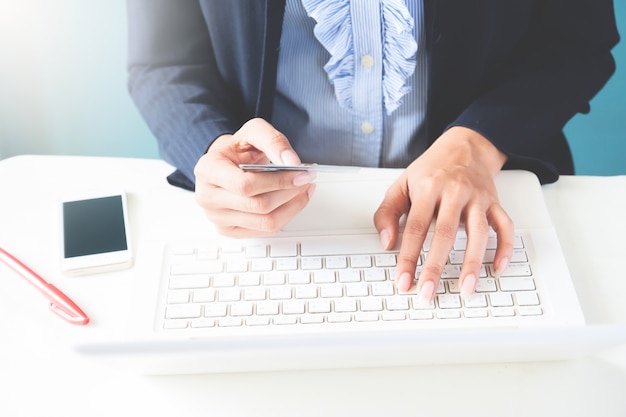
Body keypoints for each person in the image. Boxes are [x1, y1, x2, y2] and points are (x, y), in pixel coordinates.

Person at [126, 0, 619, 303]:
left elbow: (579, 44)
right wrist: (211, 146)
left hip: (480, 198)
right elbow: (163, 64)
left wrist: (478, 142)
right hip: (264, 224)